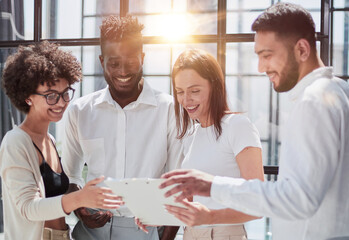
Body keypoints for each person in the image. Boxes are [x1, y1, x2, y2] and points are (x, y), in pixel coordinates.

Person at [159, 2, 349, 240]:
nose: (261, 68)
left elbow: (300, 199)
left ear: (301, 50)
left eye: (267, 55)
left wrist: (212, 186)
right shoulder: (339, 91)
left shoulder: (313, 101)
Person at [61, 15, 183, 240]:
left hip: (146, 228)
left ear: (143, 58)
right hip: (90, 231)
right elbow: (70, 178)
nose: (123, 71)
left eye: (131, 62)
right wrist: (81, 210)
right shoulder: (80, 111)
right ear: (101, 61)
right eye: (114, 63)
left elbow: (177, 185)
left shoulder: (170, 110)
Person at [0, 41, 121, 240]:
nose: (62, 102)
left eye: (65, 93)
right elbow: (28, 208)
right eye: (51, 96)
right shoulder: (15, 142)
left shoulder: (50, 140)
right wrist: (78, 198)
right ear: (27, 96)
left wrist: (83, 205)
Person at [156, 49, 264, 240]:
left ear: (214, 86)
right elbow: (192, 204)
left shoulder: (238, 127)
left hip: (224, 234)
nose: (186, 100)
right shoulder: (191, 135)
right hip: (191, 234)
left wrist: (211, 217)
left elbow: (258, 205)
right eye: (180, 92)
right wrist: (155, 215)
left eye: (195, 91)